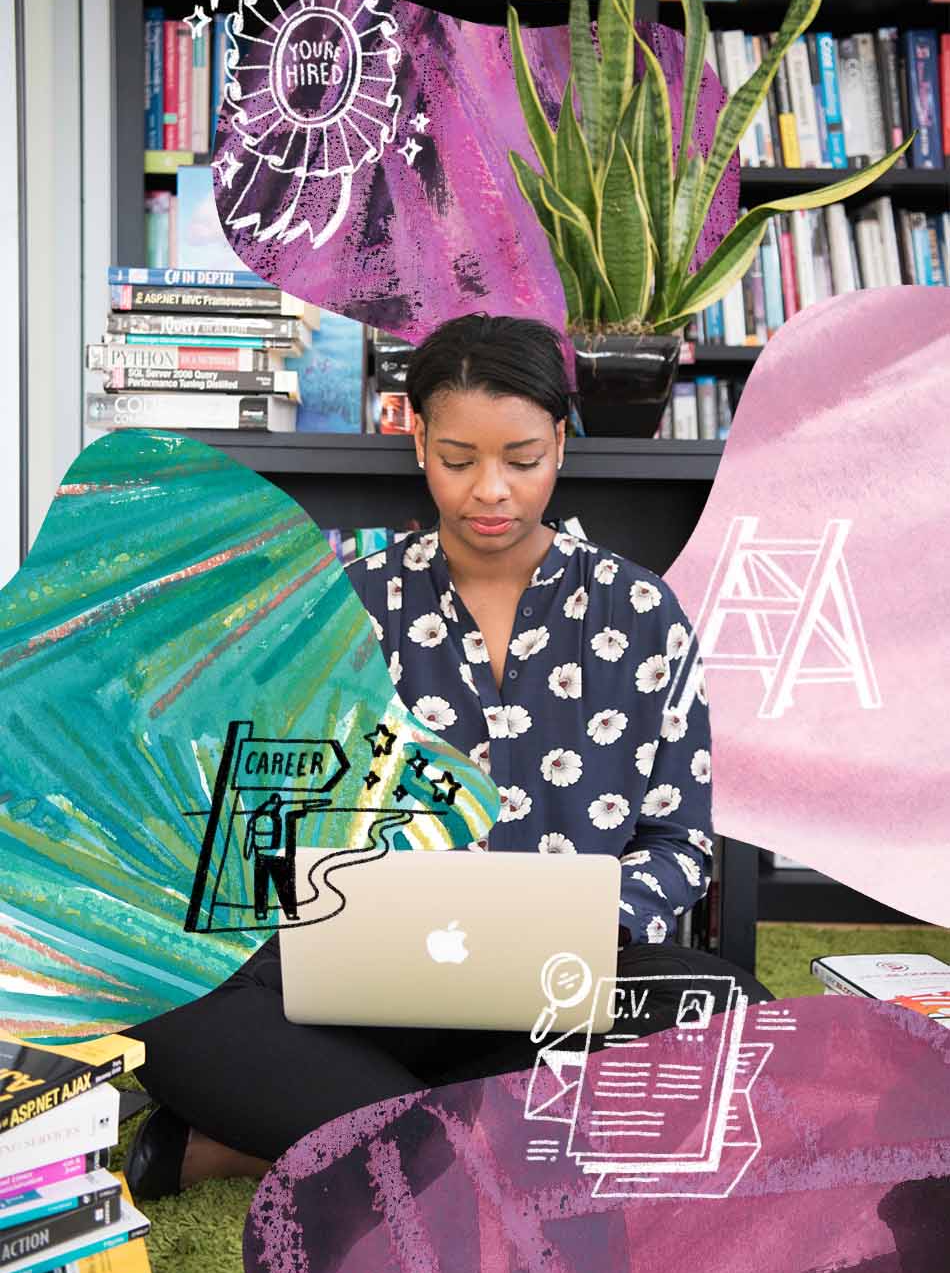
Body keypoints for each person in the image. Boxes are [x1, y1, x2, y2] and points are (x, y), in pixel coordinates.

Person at [124, 313, 773, 1204]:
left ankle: (278, 1138)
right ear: (417, 436)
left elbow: (681, 844)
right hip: (364, 995)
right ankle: (475, 1141)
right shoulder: (346, 609)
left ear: (561, 444)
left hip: (557, 1000)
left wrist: (584, 921)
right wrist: (323, 890)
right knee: (161, 997)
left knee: (733, 1015)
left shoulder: (643, 611)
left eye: (523, 458)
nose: (491, 492)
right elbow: (264, 825)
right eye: (459, 459)